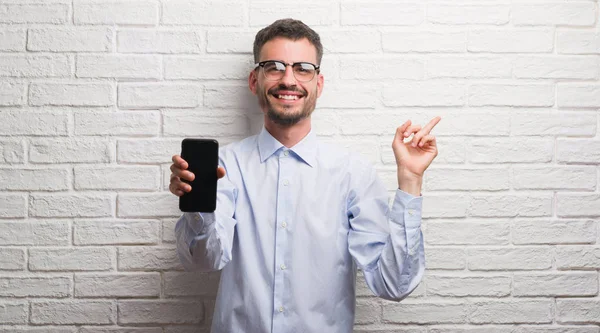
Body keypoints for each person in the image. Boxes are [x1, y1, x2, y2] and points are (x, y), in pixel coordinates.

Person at [170, 18, 441, 333]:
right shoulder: (224, 167)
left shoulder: (353, 174)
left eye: (302, 68)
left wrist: (410, 181)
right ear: (254, 81)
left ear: (319, 84)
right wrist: (197, 207)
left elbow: (393, 285)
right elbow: (203, 262)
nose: (288, 80)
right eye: (274, 67)